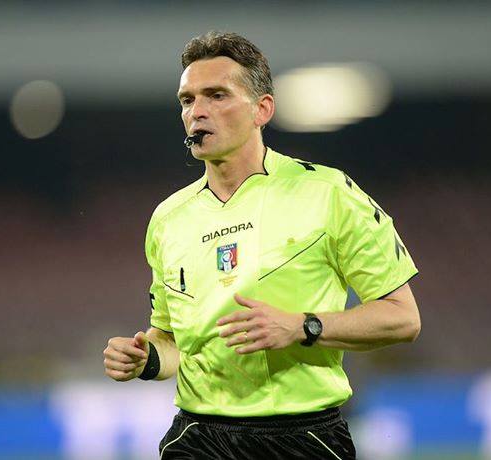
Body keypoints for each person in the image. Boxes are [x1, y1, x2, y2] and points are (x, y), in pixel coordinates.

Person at [103, 31, 420, 459]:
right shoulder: (168, 218)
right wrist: (146, 360)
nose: (198, 112)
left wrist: (303, 326)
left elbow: (402, 318)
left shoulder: (328, 192)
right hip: (199, 436)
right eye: (187, 100)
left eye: (217, 95)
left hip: (303, 437)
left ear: (262, 109)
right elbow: (174, 341)